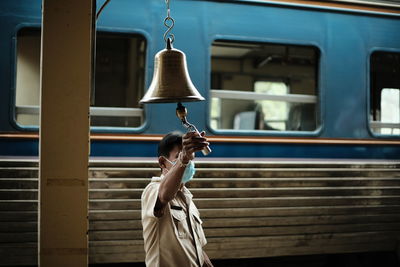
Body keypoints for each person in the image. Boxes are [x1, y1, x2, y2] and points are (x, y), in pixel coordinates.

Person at [141, 131, 214, 267]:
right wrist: (183, 159)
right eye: (178, 157)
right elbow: (165, 195)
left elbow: (197, 249)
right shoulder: (153, 189)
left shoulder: (187, 199)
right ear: (162, 162)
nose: (188, 164)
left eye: (190, 159)